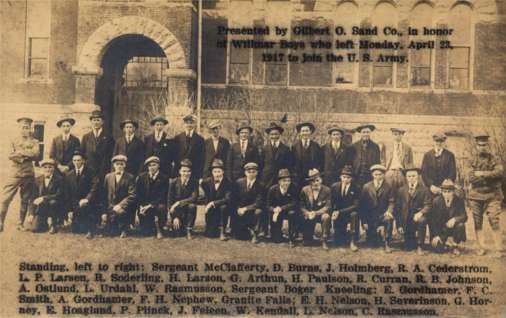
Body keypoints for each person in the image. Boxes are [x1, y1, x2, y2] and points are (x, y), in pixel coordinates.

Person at [467, 132, 504, 258]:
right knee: (478, 222)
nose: (482, 147)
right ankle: (481, 247)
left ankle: (499, 248)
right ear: (476, 146)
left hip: (493, 194)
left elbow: (499, 173)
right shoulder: (471, 159)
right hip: (476, 195)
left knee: (494, 219)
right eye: (480, 145)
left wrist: (481, 174)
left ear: (488, 145)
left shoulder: (495, 158)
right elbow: (471, 177)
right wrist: (489, 175)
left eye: (484, 145)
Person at [0, 117, 40, 232]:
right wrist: (26, 155)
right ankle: (1, 222)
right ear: (19, 128)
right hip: (15, 173)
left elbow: (36, 154)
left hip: (28, 173)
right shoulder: (13, 140)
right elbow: (10, 155)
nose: (25, 130)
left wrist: (20, 152)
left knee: (26, 199)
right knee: (5, 198)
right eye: (23, 127)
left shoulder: (35, 141)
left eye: (27, 127)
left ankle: (20, 223)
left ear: (30, 129)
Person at [359, 164, 395, 253]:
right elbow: (362, 205)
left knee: (388, 219)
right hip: (370, 216)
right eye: (376, 174)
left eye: (380, 174)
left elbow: (392, 201)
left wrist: (389, 211)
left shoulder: (389, 186)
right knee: (372, 243)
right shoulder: (366, 187)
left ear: (384, 175)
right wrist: (364, 221)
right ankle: (375, 235)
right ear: (372, 175)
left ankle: (387, 242)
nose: (378, 176)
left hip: (383, 214)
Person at [396, 165, 431, 255]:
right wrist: (399, 225)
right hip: (406, 219)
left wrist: (420, 213)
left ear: (418, 176)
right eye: (409, 176)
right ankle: (410, 240)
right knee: (408, 246)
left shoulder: (424, 190)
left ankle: (420, 246)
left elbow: (428, 205)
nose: (411, 178)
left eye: (414, 176)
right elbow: (398, 209)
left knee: (422, 220)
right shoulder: (401, 190)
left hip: (418, 218)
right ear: (406, 177)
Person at [63, 151, 99, 238]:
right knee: (76, 229)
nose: (76, 162)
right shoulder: (69, 175)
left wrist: (87, 199)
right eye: (74, 160)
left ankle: (91, 229)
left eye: (78, 160)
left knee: (87, 215)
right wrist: (69, 210)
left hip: (88, 203)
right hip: (76, 205)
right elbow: (67, 195)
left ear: (83, 161)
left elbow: (94, 187)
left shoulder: (91, 172)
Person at [99, 155, 136, 238]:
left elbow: (132, 195)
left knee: (121, 214)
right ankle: (110, 227)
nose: (119, 166)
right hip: (110, 207)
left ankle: (124, 229)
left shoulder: (130, 177)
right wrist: (104, 211)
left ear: (125, 165)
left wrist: (120, 205)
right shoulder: (108, 177)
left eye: (121, 164)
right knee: (108, 227)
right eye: (117, 164)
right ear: (114, 165)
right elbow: (104, 195)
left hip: (123, 207)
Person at [429, 180, 467, 256]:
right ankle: (446, 244)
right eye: (444, 191)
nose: (447, 194)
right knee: (438, 249)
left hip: (454, 228)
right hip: (441, 230)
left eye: (449, 191)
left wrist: (455, 219)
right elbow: (432, 221)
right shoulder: (436, 201)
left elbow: (464, 216)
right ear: (442, 192)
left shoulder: (458, 200)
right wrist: (436, 236)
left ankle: (455, 245)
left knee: (461, 225)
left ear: (453, 192)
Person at [135, 156, 169, 239]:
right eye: (149, 166)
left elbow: (163, 195)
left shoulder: (164, 178)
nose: (151, 167)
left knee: (161, 208)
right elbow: (138, 194)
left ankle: (160, 228)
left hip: (157, 204)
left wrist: (150, 205)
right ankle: (149, 228)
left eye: (154, 165)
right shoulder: (141, 177)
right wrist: (141, 206)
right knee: (145, 232)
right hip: (145, 205)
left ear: (158, 166)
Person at [25, 159, 63, 234]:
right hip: (42, 207)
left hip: (54, 205)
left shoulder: (59, 179)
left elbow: (59, 195)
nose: (47, 169)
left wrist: (43, 198)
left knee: (53, 202)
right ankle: (43, 222)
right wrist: (31, 214)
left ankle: (53, 224)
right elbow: (33, 197)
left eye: (50, 167)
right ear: (42, 168)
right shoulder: (37, 180)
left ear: (54, 168)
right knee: (34, 229)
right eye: (45, 167)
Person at [200, 159, 233, 240]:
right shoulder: (206, 182)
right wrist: (207, 204)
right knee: (210, 234)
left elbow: (227, 199)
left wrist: (213, 203)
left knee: (224, 207)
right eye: (215, 171)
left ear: (223, 172)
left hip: (222, 208)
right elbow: (206, 196)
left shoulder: (228, 183)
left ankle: (222, 231)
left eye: (219, 171)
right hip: (211, 209)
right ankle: (211, 227)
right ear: (212, 172)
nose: (217, 174)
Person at [233, 162, 265, 243]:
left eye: (253, 172)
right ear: (245, 173)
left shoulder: (261, 185)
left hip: (252, 210)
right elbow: (234, 198)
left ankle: (255, 233)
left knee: (259, 211)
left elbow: (259, 202)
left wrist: (246, 208)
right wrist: (238, 208)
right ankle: (246, 230)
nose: (251, 174)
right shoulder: (239, 183)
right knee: (239, 237)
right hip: (240, 211)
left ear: (257, 173)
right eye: (249, 172)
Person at [299, 169, 331, 250]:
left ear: (321, 180)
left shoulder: (327, 190)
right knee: (307, 242)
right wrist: (307, 213)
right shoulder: (305, 190)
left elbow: (327, 206)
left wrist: (316, 213)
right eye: (312, 181)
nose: (315, 183)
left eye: (317, 180)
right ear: (309, 182)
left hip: (320, 214)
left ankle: (324, 240)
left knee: (326, 217)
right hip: (309, 214)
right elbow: (301, 206)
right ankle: (307, 238)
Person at [330, 165, 360, 252]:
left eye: (348, 177)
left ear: (352, 178)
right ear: (340, 177)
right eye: (343, 177)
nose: (345, 179)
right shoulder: (334, 187)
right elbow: (331, 202)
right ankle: (340, 238)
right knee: (338, 241)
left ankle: (352, 241)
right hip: (338, 214)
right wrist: (333, 212)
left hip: (350, 212)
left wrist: (339, 211)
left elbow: (356, 206)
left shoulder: (356, 188)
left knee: (354, 214)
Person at [167, 159, 198, 239]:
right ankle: (177, 225)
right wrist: (175, 217)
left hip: (187, 210)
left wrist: (179, 203)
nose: (186, 174)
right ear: (179, 171)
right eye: (183, 171)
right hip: (176, 211)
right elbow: (170, 201)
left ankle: (189, 229)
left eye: (188, 171)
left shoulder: (194, 182)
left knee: (192, 206)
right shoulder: (173, 182)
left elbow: (194, 197)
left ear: (191, 172)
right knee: (176, 234)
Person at [266, 169, 298, 247]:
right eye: (284, 181)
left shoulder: (293, 188)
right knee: (276, 239)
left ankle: (291, 237)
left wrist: (281, 208)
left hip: (288, 210)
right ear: (279, 181)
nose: (287, 183)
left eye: (288, 180)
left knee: (292, 213)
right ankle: (276, 234)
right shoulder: (272, 189)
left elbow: (294, 203)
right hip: (276, 212)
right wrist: (274, 210)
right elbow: (267, 205)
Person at [81, 110, 115, 179]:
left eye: (98, 120)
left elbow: (111, 155)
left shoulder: (109, 137)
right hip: (89, 171)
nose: (96, 122)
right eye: (94, 120)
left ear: (102, 122)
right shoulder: (86, 137)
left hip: (104, 171)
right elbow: (82, 154)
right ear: (91, 122)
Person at [261, 122, 293, 189]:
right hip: (267, 179)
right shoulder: (264, 148)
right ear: (269, 135)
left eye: (276, 134)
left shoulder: (286, 149)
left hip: (280, 179)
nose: (274, 136)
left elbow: (289, 165)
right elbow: (261, 164)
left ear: (280, 135)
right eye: (272, 134)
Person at [173, 114, 205, 180]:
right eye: (187, 123)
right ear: (184, 124)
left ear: (194, 124)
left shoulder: (200, 139)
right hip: (180, 171)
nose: (189, 125)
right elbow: (175, 156)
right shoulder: (178, 138)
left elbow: (201, 158)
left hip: (194, 172)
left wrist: (199, 175)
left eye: (191, 123)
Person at [291, 122, 323, 189]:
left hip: (312, 177)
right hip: (298, 178)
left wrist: (316, 170)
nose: (305, 133)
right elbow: (292, 162)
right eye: (303, 131)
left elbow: (320, 161)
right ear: (300, 133)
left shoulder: (316, 146)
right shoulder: (295, 146)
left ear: (310, 132)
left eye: (307, 131)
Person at [349, 124, 381, 189]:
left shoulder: (375, 146)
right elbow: (350, 162)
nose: (366, 134)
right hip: (356, 175)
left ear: (370, 133)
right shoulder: (354, 146)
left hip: (370, 176)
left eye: (367, 132)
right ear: (360, 133)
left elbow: (377, 162)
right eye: (364, 132)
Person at [383, 128, 413, 192]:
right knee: (389, 191)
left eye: (399, 134)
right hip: (390, 172)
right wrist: (384, 171)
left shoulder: (408, 147)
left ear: (402, 135)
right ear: (392, 135)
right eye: (395, 134)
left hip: (402, 172)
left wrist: (408, 174)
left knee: (402, 192)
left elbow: (410, 162)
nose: (397, 136)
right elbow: (382, 159)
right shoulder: (386, 146)